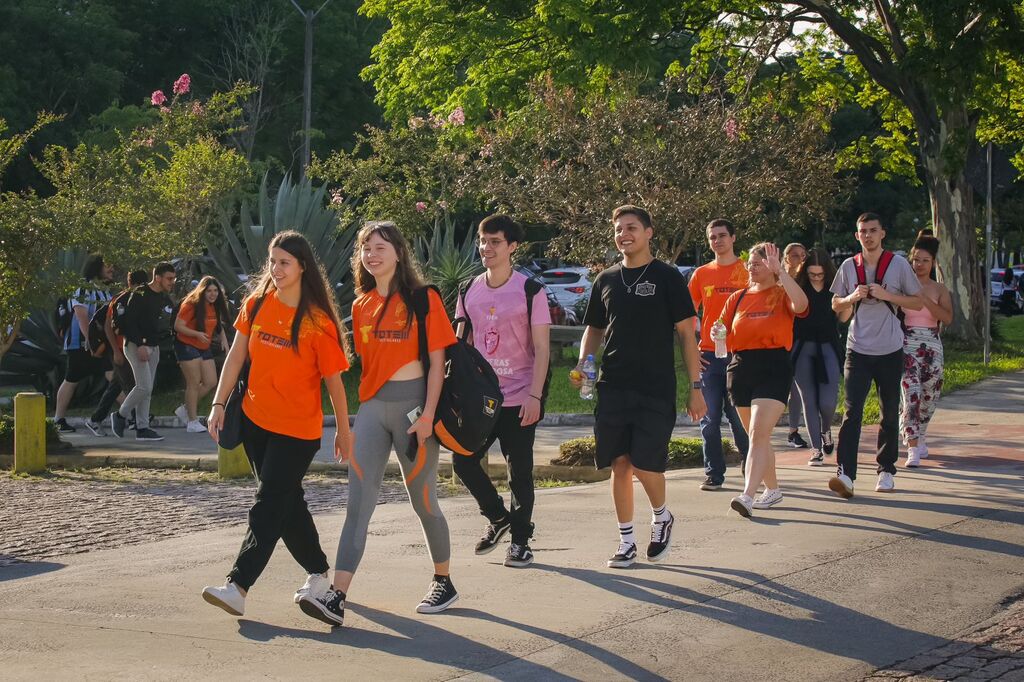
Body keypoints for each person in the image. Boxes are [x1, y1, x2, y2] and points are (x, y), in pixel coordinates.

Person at [300, 221, 457, 627]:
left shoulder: (424, 299)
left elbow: (438, 364)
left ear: (399, 253)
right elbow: (366, 369)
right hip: (371, 410)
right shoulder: (360, 305)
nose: (372, 254)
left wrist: (427, 416)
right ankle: (337, 595)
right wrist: (347, 427)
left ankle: (444, 580)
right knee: (358, 506)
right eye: (366, 248)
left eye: (380, 247)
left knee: (423, 503)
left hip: (414, 412)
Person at [201, 231, 354, 619]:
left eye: (284, 262)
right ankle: (319, 574)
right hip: (255, 423)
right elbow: (235, 358)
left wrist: (343, 431)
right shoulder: (256, 304)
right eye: (272, 261)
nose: (276, 268)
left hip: (297, 432)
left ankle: (238, 585)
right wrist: (219, 403)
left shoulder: (317, 322)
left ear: (303, 266)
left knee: (267, 504)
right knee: (287, 504)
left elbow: (335, 381)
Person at [571, 205, 706, 568]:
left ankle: (662, 516)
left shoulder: (667, 277)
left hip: (655, 386)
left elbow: (686, 335)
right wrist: (586, 362)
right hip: (613, 383)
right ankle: (626, 540)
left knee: (646, 464)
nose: (623, 234)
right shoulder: (607, 279)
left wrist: (696, 386)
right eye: (618, 229)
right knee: (619, 464)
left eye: (631, 227)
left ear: (649, 232)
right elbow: (595, 329)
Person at [453, 214, 551, 568]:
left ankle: (521, 542)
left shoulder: (530, 290)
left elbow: (542, 348)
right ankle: (498, 518)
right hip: (482, 399)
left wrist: (535, 396)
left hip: (521, 395)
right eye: (483, 241)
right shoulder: (467, 290)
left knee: (519, 472)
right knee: (462, 460)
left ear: (512, 247)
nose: (486, 248)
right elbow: (460, 345)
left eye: (495, 242)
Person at [828, 213, 922, 497]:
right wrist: (852, 297)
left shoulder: (898, 265)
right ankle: (845, 473)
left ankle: (886, 470)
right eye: (862, 231)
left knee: (889, 412)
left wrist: (887, 295)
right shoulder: (848, 266)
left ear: (883, 233)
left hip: (890, 349)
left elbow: (917, 301)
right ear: (856, 236)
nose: (867, 235)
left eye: (872, 230)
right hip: (857, 349)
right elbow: (835, 305)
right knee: (852, 411)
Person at [723, 243, 808, 517]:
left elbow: (803, 305)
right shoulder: (737, 297)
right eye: (750, 263)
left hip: (774, 365)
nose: (752, 267)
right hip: (741, 367)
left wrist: (781, 272)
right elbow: (722, 334)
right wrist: (716, 334)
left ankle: (747, 495)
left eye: (758, 263)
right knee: (756, 437)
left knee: (759, 434)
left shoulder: (782, 293)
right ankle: (773, 490)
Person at [687, 219, 750, 491]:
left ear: (733, 238)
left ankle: (753, 471)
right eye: (712, 237)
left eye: (722, 236)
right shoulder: (701, 274)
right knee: (709, 419)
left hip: (741, 355)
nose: (717, 241)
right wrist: (692, 349)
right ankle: (714, 474)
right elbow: (688, 316)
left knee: (740, 420)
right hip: (709, 357)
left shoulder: (746, 270)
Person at [901, 233, 952, 467]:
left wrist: (925, 299)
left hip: (932, 344)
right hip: (906, 343)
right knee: (910, 393)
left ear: (933, 263)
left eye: (924, 260)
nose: (919, 265)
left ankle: (920, 434)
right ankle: (912, 446)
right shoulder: (902, 284)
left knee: (930, 395)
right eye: (915, 259)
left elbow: (947, 318)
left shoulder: (939, 289)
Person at [110, 263, 176, 441]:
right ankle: (120, 415)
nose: (172, 282)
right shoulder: (140, 293)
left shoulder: (161, 297)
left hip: (153, 347)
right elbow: (130, 322)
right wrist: (140, 345)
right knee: (144, 386)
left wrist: (152, 345)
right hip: (135, 345)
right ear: (158, 277)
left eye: (173, 278)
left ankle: (142, 427)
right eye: (169, 278)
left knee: (148, 389)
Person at [791, 248, 843, 466]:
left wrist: (850, 301)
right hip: (803, 347)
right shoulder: (799, 286)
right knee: (808, 400)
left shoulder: (836, 287)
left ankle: (826, 430)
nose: (816, 278)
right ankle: (815, 449)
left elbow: (842, 317)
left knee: (828, 402)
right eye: (812, 274)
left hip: (829, 346)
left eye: (820, 274)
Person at [53, 253, 115, 435]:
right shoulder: (83, 289)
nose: (112, 270)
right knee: (72, 379)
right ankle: (58, 419)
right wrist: (91, 340)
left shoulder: (104, 290)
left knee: (114, 377)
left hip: (100, 344)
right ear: (97, 267)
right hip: (80, 344)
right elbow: (81, 316)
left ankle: (131, 414)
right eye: (108, 266)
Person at [88, 269, 149, 432]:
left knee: (116, 385)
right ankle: (136, 419)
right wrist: (115, 351)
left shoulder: (140, 299)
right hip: (119, 349)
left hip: (129, 348)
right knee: (131, 384)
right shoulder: (120, 300)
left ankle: (96, 419)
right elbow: (108, 326)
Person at [173, 276, 230, 433]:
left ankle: (185, 410)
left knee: (211, 381)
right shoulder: (191, 304)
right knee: (193, 382)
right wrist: (197, 334)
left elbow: (218, 326)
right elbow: (178, 326)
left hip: (203, 346)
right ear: (202, 291)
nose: (212, 294)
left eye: (215, 290)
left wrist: (224, 342)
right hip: (186, 344)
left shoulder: (214, 305)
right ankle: (192, 421)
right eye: (209, 291)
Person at [782, 242, 809, 449]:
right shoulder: (778, 281)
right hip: (778, 340)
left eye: (802, 255)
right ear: (785, 258)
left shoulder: (806, 282)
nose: (798, 259)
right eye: (794, 255)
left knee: (797, 387)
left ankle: (793, 430)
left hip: (800, 339)